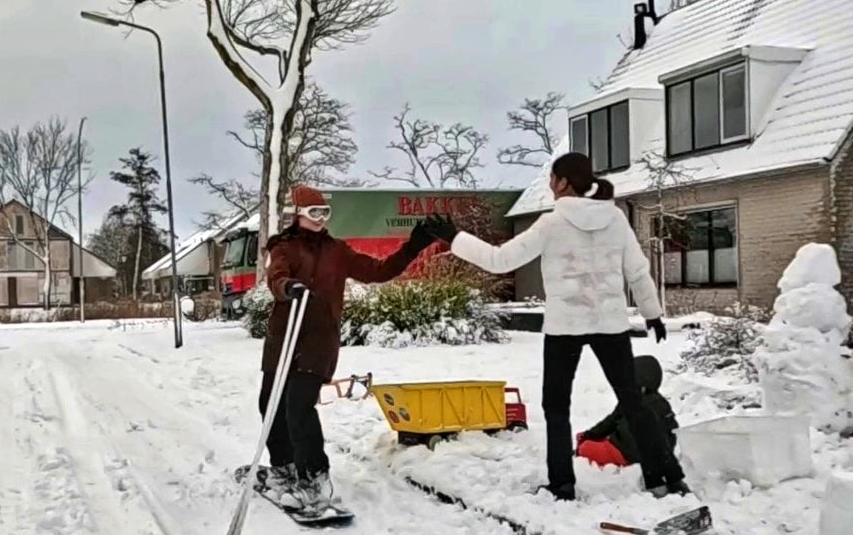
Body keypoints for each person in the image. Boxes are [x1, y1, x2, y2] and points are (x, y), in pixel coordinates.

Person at [421, 152, 690, 500]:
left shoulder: (552, 223)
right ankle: (667, 478)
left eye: (552, 178)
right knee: (632, 403)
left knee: (557, 406)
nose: (549, 185)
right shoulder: (616, 218)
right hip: (610, 323)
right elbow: (637, 270)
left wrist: (454, 237)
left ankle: (562, 485)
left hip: (566, 326)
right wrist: (652, 313)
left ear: (563, 182)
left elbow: (500, 260)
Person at [260, 185, 436, 510]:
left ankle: (315, 477)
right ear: (298, 215)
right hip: (283, 339)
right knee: (269, 405)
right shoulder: (284, 248)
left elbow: (379, 271)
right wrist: (289, 286)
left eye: (325, 213)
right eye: (314, 213)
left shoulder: (337, 251)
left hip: (317, 343)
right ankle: (284, 467)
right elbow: (276, 278)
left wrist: (415, 245)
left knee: (298, 409)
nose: (321, 219)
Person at [576, 355, 679, 469]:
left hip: (630, 455)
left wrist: (611, 442)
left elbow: (635, 445)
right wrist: (590, 434)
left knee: (586, 448)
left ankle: (585, 458)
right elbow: (612, 420)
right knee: (584, 439)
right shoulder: (634, 400)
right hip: (625, 446)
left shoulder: (651, 406)